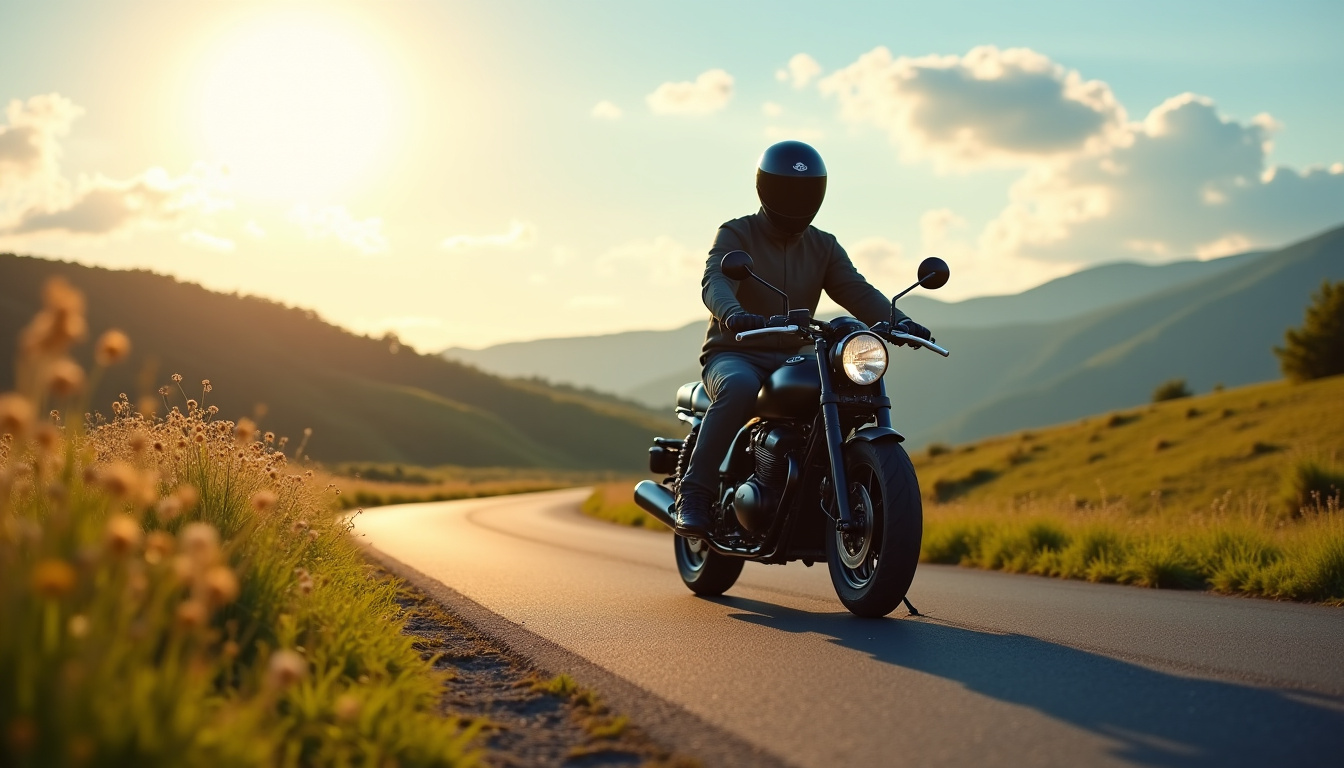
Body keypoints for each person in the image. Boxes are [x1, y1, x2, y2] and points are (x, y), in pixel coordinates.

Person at [674, 140, 933, 538]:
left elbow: (856, 290)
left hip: (793, 355)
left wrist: (902, 322)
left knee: (844, 386)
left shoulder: (823, 245)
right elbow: (716, 280)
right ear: (767, 188)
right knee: (739, 388)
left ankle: (818, 490)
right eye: (788, 190)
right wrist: (733, 314)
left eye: (805, 191)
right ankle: (693, 494)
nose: (796, 200)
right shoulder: (737, 233)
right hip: (735, 352)